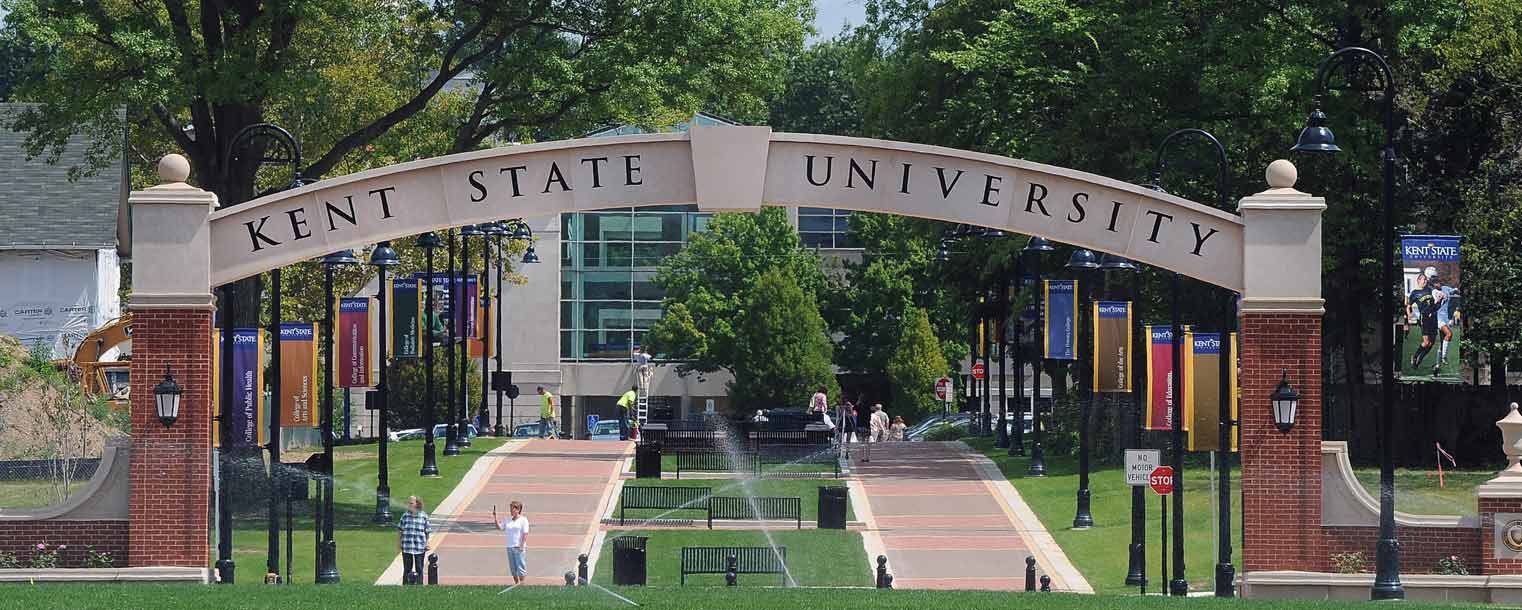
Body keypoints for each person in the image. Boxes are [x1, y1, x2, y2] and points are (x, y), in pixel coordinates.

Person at [1407, 271, 1441, 371]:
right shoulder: (1414, 293)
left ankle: (1418, 361)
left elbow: (1434, 301)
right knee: (1426, 342)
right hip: (1424, 318)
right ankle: (1415, 356)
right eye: (1423, 279)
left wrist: (1438, 299)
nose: (1425, 281)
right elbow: (1408, 306)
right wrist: (1409, 313)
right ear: (1418, 281)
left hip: (1433, 317)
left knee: (1431, 344)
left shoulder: (1430, 290)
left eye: (1426, 279)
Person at [493, 500, 530, 585]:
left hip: (518, 547)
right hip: (509, 546)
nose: (511, 511)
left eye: (512, 509)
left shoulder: (523, 520)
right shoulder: (507, 519)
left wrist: (521, 545)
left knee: (520, 566)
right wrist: (495, 518)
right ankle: (516, 583)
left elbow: (525, 533)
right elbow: (500, 527)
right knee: (513, 568)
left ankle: (522, 584)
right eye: (510, 509)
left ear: (518, 510)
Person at [397, 495, 431, 585]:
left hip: (419, 547)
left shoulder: (424, 516)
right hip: (407, 547)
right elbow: (400, 530)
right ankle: (405, 586)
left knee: (419, 568)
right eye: (409, 503)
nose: (409, 504)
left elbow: (427, 531)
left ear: (417, 504)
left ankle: (419, 586)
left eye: (411, 503)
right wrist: (399, 542)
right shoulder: (405, 516)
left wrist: (427, 543)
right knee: (407, 568)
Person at [1432, 273, 1461, 372]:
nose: (1437, 284)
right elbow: (1435, 302)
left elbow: (1454, 290)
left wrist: (1457, 289)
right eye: (1435, 283)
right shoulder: (1434, 292)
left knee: (1442, 342)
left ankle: (1437, 366)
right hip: (1438, 317)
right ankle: (1444, 357)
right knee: (1449, 333)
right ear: (1433, 284)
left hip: (1445, 318)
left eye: (1438, 282)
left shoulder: (1445, 288)